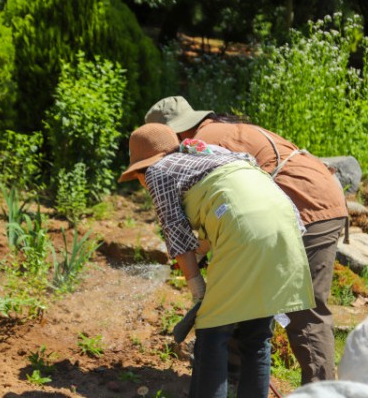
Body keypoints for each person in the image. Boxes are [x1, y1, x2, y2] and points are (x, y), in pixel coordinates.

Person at [145, 96, 349, 385]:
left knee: (306, 312)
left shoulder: (202, 143)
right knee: (246, 298)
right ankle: (234, 377)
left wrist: (194, 273)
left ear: (172, 135)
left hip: (308, 205)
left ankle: (321, 391)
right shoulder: (217, 132)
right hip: (316, 196)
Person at [119, 123, 315, 398]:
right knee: (256, 336)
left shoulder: (158, 172)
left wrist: (196, 285)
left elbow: (174, 230)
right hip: (284, 222)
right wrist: (202, 249)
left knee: (213, 332)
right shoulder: (213, 154)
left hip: (243, 228)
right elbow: (238, 203)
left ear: (142, 168)